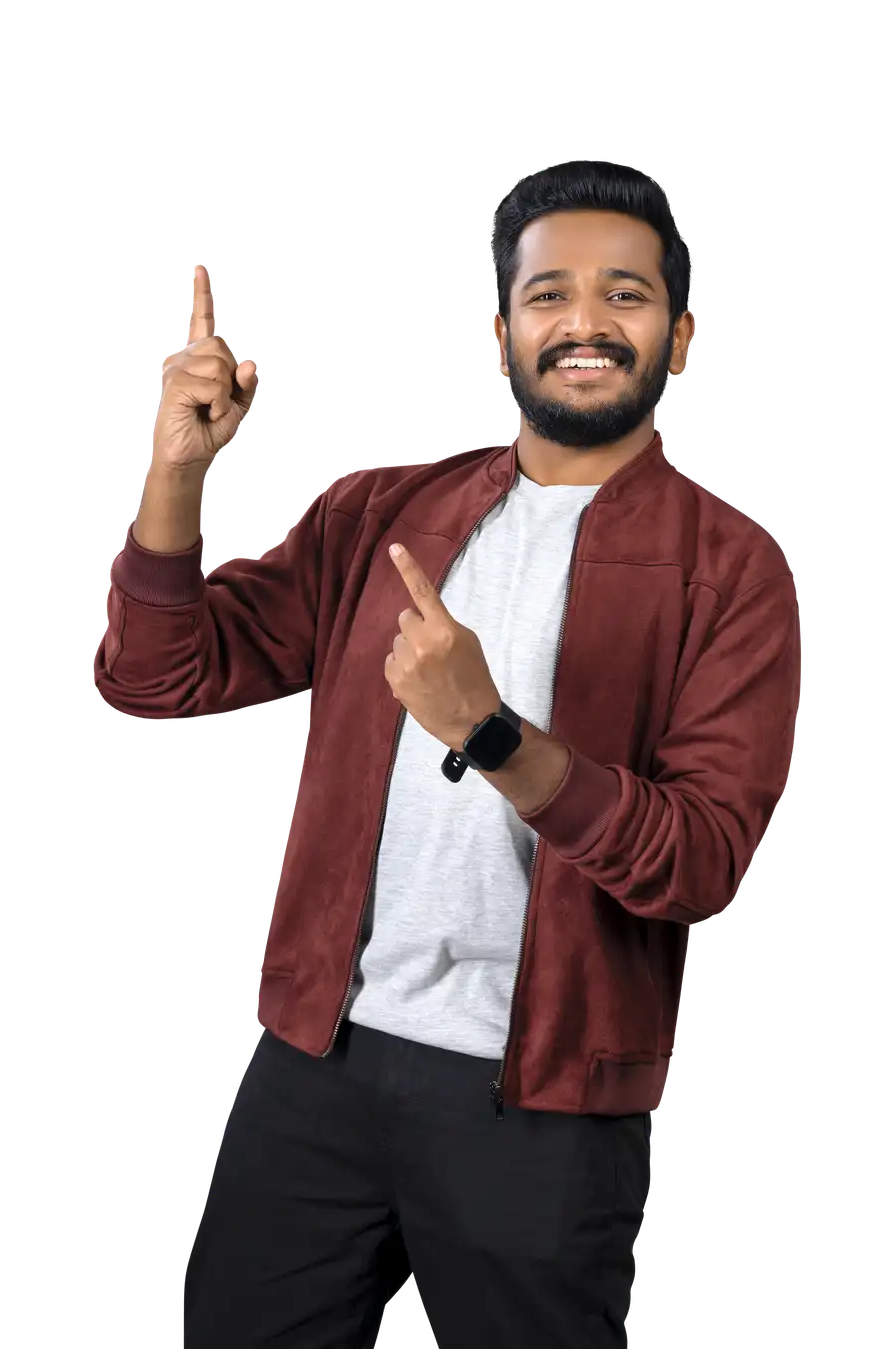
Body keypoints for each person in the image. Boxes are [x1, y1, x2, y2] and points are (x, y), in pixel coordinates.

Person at [93, 160, 802, 1348]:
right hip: (315, 1063)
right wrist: (175, 473)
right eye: (549, 294)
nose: (584, 321)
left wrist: (491, 735)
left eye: (625, 295)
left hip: (547, 1102)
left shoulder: (735, 571)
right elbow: (154, 676)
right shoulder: (378, 511)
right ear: (500, 336)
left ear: (682, 340)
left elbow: (700, 863)